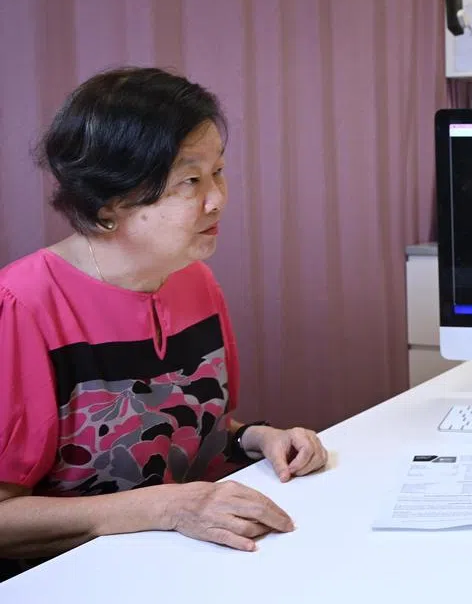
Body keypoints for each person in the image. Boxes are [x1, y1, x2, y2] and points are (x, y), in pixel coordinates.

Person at [0, 68, 328, 577]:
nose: (216, 198)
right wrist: (166, 507)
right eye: (189, 181)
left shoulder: (195, 281)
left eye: (217, 172)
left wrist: (259, 438)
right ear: (109, 200)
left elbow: (194, 429)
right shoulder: (23, 307)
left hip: (186, 566)